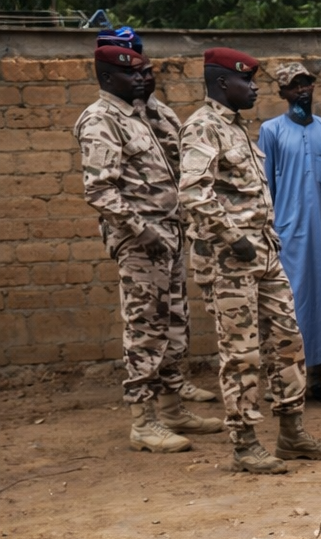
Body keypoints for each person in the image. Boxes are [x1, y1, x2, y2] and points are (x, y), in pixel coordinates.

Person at [179, 47, 321, 473]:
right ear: (221, 84)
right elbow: (193, 193)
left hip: (265, 253)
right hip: (230, 260)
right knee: (242, 354)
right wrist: (234, 239)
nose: (254, 88)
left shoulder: (238, 129)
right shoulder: (202, 127)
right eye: (246, 82)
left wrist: (263, 241)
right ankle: (245, 443)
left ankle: (292, 432)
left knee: (289, 340)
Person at [75, 43, 223, 454]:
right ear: (107, 78)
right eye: (133, 73)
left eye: (145, 71)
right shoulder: (101, 120)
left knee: (175, 324)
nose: (142, 78)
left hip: (169, 235)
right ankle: (143, 421)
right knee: (145, 329)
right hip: (141, 243)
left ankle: (173, 408)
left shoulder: (144, 113)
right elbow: (99, 190)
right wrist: (143, 231)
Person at [258, 62, 321, 403]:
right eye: (294, 86)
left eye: (306, 84)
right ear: (282, 93)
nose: (302, 90)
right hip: (288, 233)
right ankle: (281, 382)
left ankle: (315, 380)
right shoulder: (271, 131)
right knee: (288, 306)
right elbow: (264, 186)